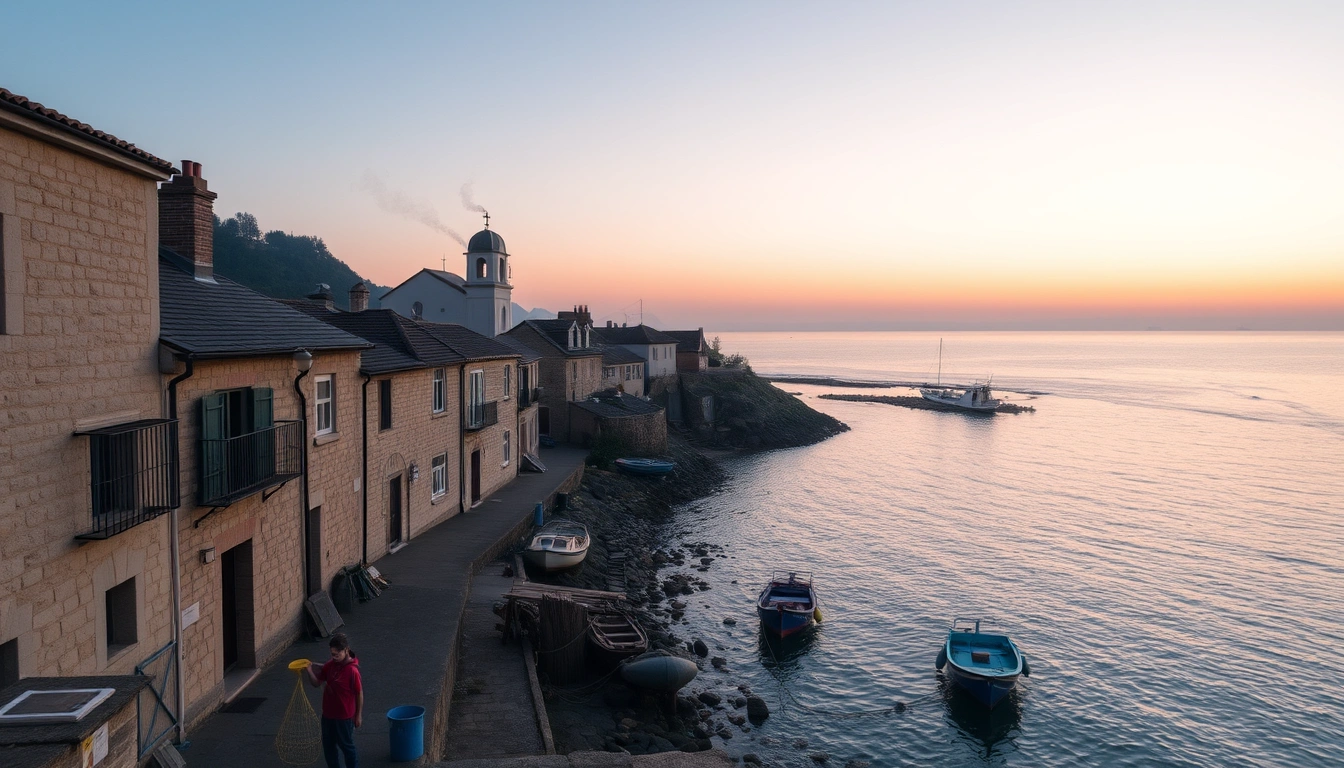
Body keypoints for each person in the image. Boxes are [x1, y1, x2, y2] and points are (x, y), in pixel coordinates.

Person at [306, 632, 363, 768]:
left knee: (347, 747)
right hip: (328, 715)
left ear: (346, 650)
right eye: (332, 654)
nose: (335, 657)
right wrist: (309, 670)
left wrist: (358, 715)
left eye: (337, 654)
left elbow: (359, 693)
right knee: (329, 747)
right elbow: (316, 683)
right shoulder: (330, 665)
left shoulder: (352, 671)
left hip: (344, 717)